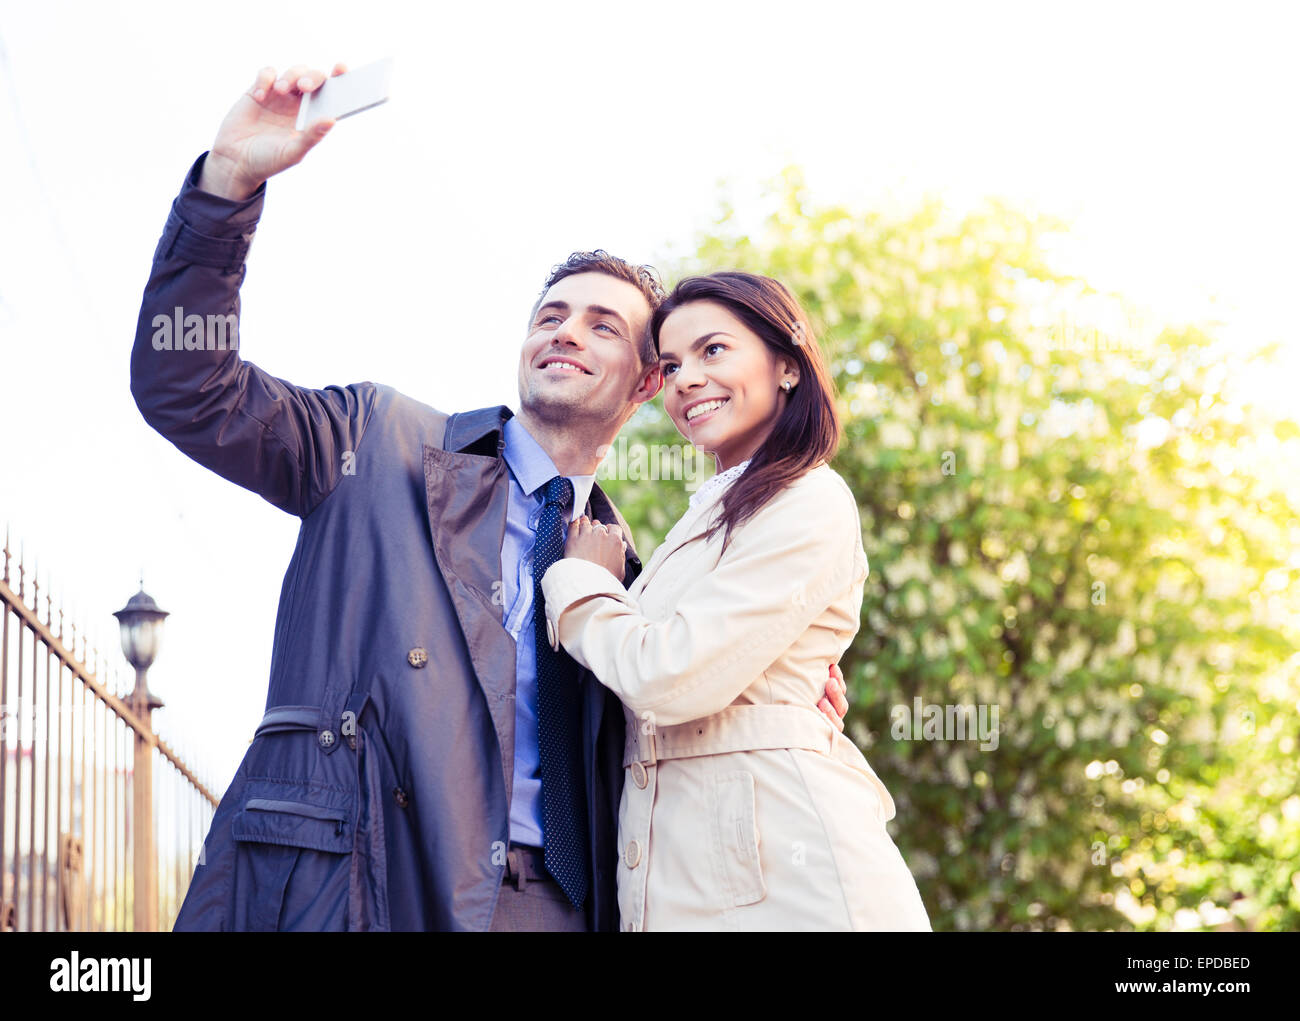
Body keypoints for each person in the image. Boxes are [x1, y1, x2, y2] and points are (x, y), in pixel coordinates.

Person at [132, 63, 849, 931]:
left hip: (559, 905)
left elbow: (674, 692)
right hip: (368, 887)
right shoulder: (374, 439)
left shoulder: (626, 570)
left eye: (601, 325)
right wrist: (227, 185)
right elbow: (188, 388)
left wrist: (779, 682)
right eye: (551, 313)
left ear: (649, 381)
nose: (565, 332)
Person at [541, 271, 933, 930]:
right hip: (693, 887)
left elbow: (669, 676)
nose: (687, 378)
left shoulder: (809, 497)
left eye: (713, 350)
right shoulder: (706, 518)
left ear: (785, 364)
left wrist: (581, 585)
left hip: (794, 888)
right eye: (671, 365)